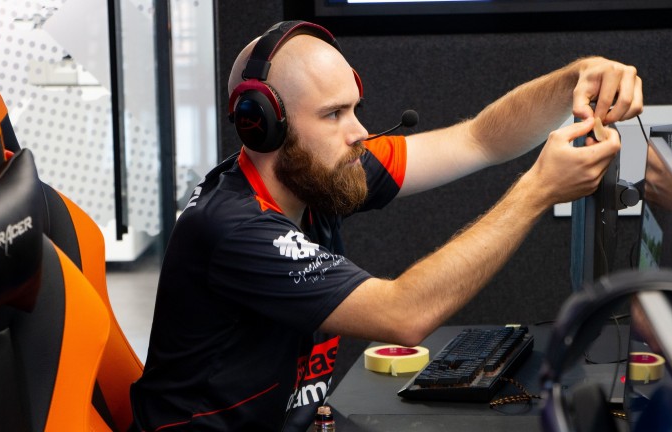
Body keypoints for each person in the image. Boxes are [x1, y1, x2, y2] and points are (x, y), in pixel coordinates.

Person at [130, 20, 643, 431]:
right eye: (333, 115)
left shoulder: (317, 173)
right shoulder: (233, 229)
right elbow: (404, 313)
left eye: (355, 108)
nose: (359, 133)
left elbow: (480, 140)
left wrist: (576, 77)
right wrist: (539, 191)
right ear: (261, 125)